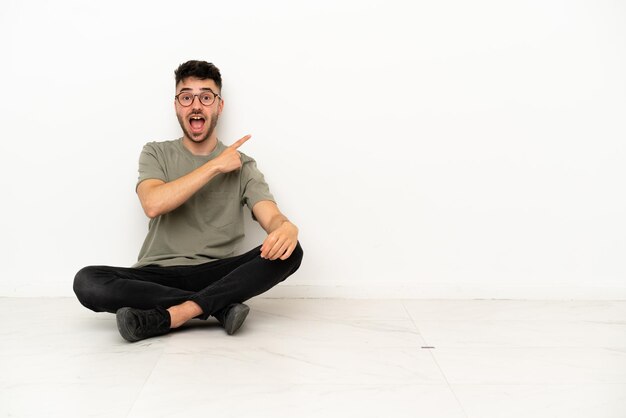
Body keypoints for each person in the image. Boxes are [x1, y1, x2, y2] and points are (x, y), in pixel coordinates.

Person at [73, 60, 303, 343]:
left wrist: (286, 228)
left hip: (216, 274)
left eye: (206, 97)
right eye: (186, 97)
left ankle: (176, 314)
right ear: (176, 105)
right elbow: (153, 203)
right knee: (87, 281)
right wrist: (215, 166)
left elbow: (271, 217)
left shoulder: (243, 165)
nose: (196, 105)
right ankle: (218, 306)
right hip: (156, 276)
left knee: (291, 251)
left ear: (219, 106)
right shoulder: (155, 153)